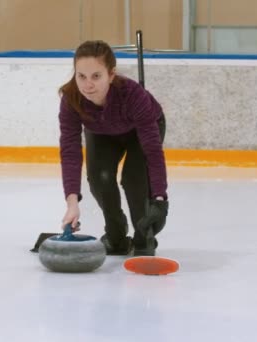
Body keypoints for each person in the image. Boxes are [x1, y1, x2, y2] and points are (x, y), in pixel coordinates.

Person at [58, 40, 168, 256]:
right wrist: (72, 203)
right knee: (101, 177)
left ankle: (143, 234)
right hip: (101, 133)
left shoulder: (133, 95)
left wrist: (160, 198)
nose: (87, 85)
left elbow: (152, 151)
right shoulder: (72, 99)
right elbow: (70, 151)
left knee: (133, 178)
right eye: (81, 76)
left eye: (96, 76)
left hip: (141, 132)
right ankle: (116, 234)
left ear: (111, 74)